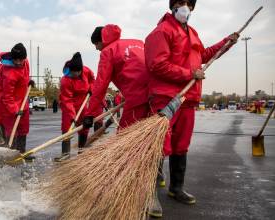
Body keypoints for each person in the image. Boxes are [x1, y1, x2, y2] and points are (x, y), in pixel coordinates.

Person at [144, 0, 240, 217]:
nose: (185, 6)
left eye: (189, 2)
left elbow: (203, 56)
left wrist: (227, 42)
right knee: (159, 146)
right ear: (172, 6)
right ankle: (149, 194)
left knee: (181, 145)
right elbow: (157, 64)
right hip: (166, 98)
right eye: (180, 2)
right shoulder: (161, 31)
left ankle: (176, 188)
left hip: (188, 98)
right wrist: (189, 74)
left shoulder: (193, 33)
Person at [83, 24, 149, 131]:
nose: (96, 48)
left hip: (137, 96)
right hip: (156, 93)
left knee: (125, 137)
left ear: (101, 40)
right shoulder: (138, 42)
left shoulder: (108, 51)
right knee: (148, 135)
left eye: (96, 44)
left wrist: (90, 114)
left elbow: (101, 85)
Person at [55, 52, 95, 161]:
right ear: (70, 70)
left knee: (84, 128)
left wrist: (91, 88)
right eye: (73, 72)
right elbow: (67, 100)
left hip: (82, 103)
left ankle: (81, 151)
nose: (76, 74)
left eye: (78, 72)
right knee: (67, 128)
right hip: (69, 106)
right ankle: (65, 154)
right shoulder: (65, 80)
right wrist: (73, 116)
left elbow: (92, 79)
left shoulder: (86, 71)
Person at [0, 43, 33, 160]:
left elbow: (25, 76)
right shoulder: (9, 74)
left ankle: (22, 153)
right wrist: (14, 110)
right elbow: (7, 96)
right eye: (15, 60)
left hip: (23, 102)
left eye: (20, 59)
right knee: (12, 130)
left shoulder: (25, 62)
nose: (18, 62)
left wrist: (29, 81)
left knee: (23, 129)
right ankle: (11, 155)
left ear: (24, 58)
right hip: (9, 105)